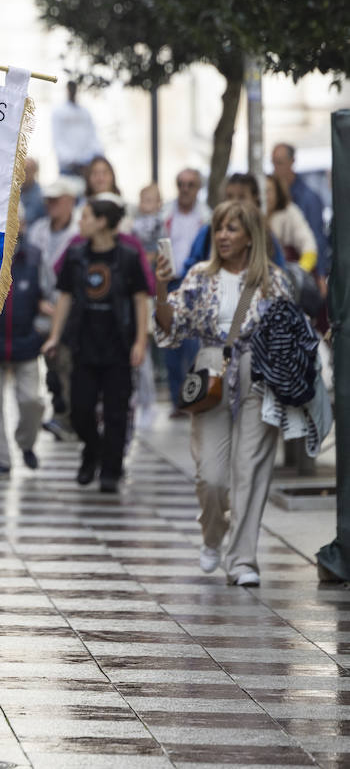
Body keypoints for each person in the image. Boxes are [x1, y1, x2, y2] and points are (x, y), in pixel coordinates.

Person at [154, 200, 293, 586]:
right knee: (212, 477)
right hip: (212, 372)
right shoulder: (200, 275)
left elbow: (289, 335)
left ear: (251, 236)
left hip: (260, 374)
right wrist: (162, 285)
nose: (223, 236)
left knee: (251, 470)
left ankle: (243, 559)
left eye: (232, 229)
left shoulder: (274, 281)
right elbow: (172, 327)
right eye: (219, 228)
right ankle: (213, 535)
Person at [42, 197, 150, 492]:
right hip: (83, 344)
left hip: (118, 345)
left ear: (102, 221)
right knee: (80, 410)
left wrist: (140, 340)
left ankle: (111, 471)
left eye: (86, 216)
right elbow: (64, 296)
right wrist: (54, 336)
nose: (81, 222)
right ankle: (93, 450)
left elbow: (141, 300)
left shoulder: (127, 257)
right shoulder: (76, 255)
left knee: (116, 412)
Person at [0, 239, 46, 480]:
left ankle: (26, 442)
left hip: (25, 345)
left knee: (31, 400)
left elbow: (51, 296)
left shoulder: (34, 257)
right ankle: (0, 461)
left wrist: (42, 330)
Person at [27, 177, 80, 436]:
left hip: (71, 313)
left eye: (56, 200)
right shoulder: (37, 230)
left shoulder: (80, 231)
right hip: (42, 310)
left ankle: (68, 416)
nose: (51, 204)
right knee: (51, 370)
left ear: (70, 201)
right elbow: (29, 269)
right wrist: (37, 300)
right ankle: (61, 413)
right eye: (48, 199)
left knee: (67, 365)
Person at [161, 169, 210, 415]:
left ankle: (192, 398)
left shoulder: (206, 218)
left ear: (198, 187)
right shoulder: (165, 215)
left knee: (192, 346)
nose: (185, 188)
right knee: (170, 344)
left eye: (191, 184)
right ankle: (176, 401)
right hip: (169, 284)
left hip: (194, 286)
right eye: (181, 183)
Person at [178, 174, 287, 280]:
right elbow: (187, 273)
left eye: (241, 197)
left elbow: (280, 274)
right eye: (229, 196)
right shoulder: (207, 232)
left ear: (255, 199)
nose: (235, 202)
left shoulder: (267, 237)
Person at [271, 143, 329, 277]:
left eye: (279, 163)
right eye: (273, 163)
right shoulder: (271, 198)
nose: (275, 168)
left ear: (292, 162)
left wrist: (315, 274)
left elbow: (314, 240)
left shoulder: (306, 199)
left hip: (297, 270)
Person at [264, 174, 318, 273]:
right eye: (261, 192)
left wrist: (300, 271)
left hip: (286, 272)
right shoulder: (254, 214)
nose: (265, 196)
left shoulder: (290, 211)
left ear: (277, 192)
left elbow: (309, 245)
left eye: (268, 191)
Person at [51, 80, 103, 178]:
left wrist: (93, 156)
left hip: (87, 166)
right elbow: (57, 139)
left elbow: (92, 136)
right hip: (68, 168)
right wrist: (71, 159)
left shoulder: (85, 112)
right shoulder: (59, 112)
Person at [19, 157, 46, 228]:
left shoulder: (39, 196)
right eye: (21, 170)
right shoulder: (17, 190)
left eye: (26, 170)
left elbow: (24, 220)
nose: (23, 174)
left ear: (35, 172)